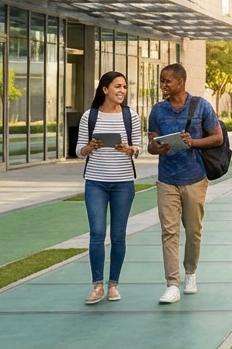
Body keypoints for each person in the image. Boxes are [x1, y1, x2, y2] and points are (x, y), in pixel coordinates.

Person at [146, 63, 223, 305]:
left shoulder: (201, 106)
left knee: (193, 230)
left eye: (167, 81)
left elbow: (217, 137)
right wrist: (156, 147)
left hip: (195, 178)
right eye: (161, 80)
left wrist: (193, 142)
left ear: (181, 81)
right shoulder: (157, 110)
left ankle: (190, 273)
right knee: (169, 232)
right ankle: (172, 284)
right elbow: (150, 144)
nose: (163, 85)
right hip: (166, 180)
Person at [76, 71, 142, 305]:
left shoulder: (130, 116)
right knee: (96, 234)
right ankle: (97, 286)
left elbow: (138, 148)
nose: (122, 90)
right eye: (117, 86)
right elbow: (78, 151)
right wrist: (90, 147)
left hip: (123, 183)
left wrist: (129, 149)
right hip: (95, 182)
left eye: (124, 86)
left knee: (118, 236)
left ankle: (113, 285)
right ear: (105, 89)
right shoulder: (89, 116)